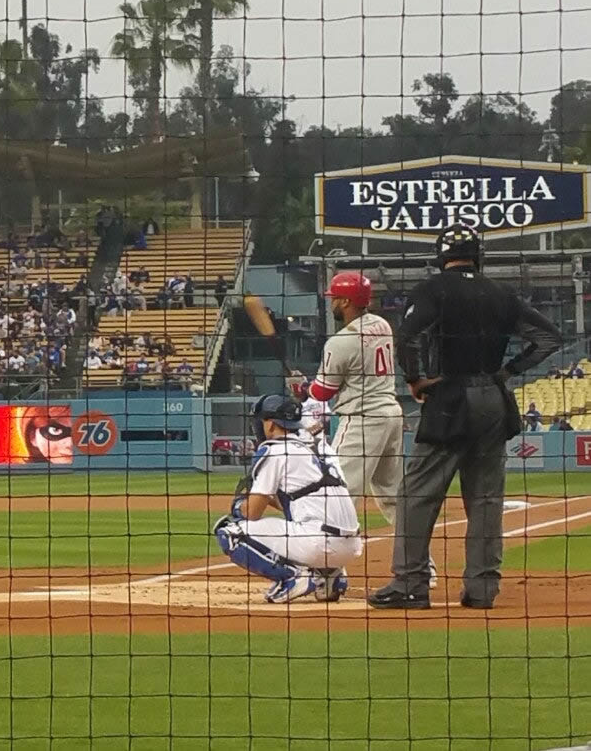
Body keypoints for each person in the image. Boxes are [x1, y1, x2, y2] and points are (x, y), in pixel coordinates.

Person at [368, 224, 562, 611]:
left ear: (442, 258)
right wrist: (507, 373)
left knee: (417, 494)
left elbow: (407, 336)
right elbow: (549, 338)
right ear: (478, 255)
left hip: (450, 398)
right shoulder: (502, 293)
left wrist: (415, 379)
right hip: (494, 398)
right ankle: (482, 589)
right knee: (487, 499)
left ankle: (410, 583)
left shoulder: (433, 289)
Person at [212, 394, 363, 603]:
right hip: (352, 545)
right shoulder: (321, 447)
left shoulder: (275, 450)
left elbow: (252, 514)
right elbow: (299, 501)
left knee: (231, 533)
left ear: (272, 425)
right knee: (301, 522)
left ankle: (294, 577)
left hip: (319, 544)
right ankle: (330, 576)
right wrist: (271, 498)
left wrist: (239, 505)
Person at [306, 271, 405, 529]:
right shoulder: (381, 324)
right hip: (391, 414)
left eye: (336, 298)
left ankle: (327, 564)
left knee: (335, 494)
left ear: (347, 302)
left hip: (362, 419)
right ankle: (420, 567)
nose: (332, 303)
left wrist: (304, 388)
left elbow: (323, 392)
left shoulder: (341, 341)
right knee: (394, 498)